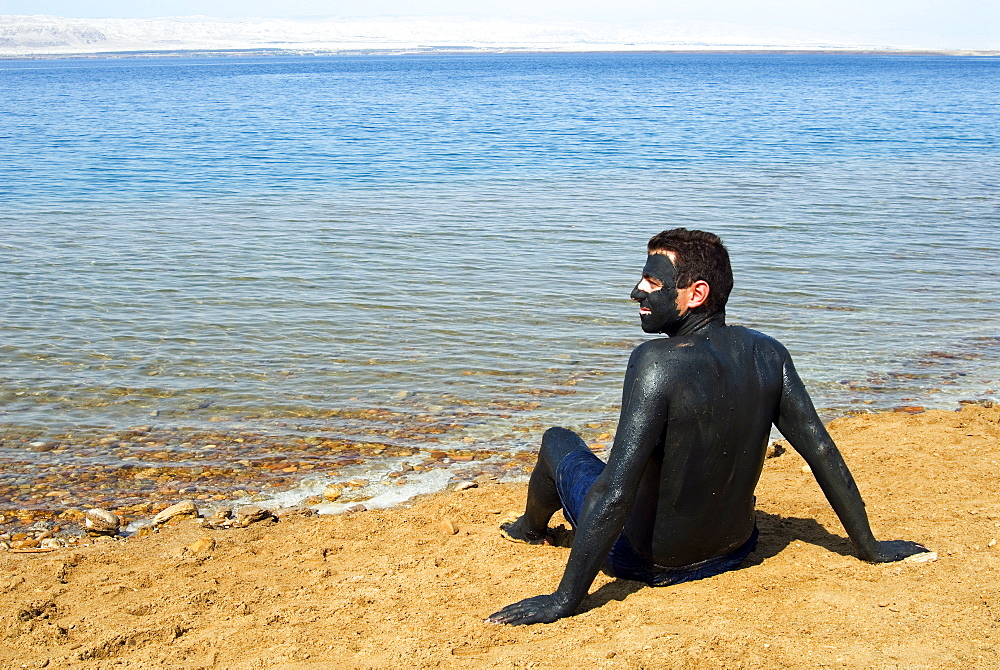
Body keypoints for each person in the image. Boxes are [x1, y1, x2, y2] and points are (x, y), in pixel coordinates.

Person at [487, 228, 926, 626]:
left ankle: (529, 529)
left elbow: (615, 492)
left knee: (557, 441)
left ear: (696, 293)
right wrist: (872, 547)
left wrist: (564, 599)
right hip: (736, 550)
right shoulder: (767, 353)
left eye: (653, 283)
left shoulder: (655, 362)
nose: (635, 291)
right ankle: (532, 529)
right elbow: (822, 452)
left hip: (648, 563)